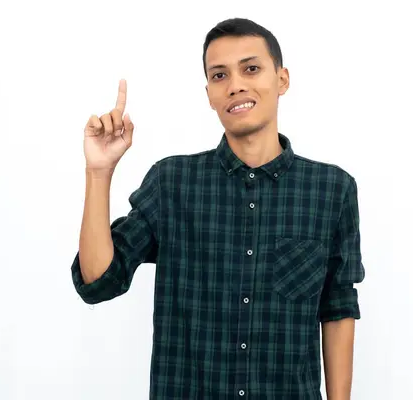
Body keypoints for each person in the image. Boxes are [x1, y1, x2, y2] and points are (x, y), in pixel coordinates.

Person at [71, 17, 365, 400]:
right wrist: (99, 171)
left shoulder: (331, 190)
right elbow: (97, 282)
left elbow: (337, 306)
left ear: (282, 79)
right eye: (220, 75)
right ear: (209, 93)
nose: (236, 84)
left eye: (252, 68)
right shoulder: (171, 182)